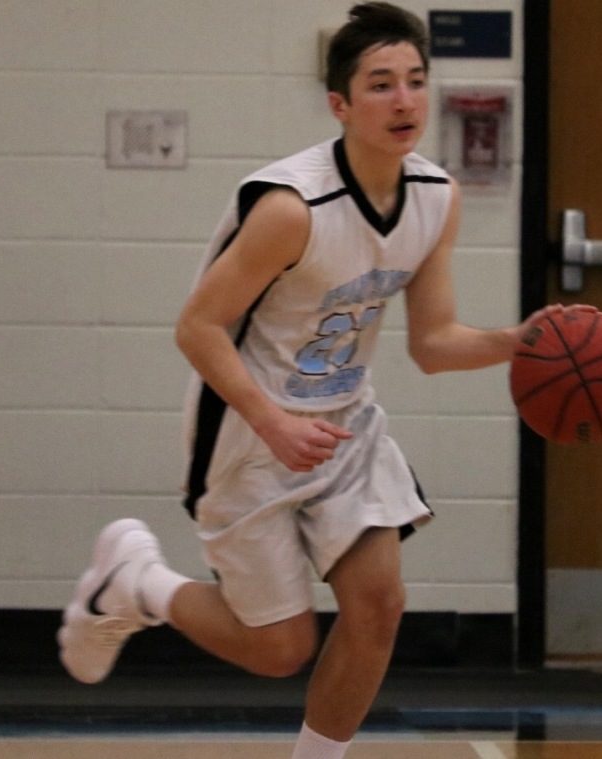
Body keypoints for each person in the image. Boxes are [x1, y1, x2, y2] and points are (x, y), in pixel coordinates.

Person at [57, 3, 565, 757]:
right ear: (341, 104)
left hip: (346, 427)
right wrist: (272, 420)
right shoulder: (292, 208)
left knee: (380, 606)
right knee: (280, 648)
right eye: (382, 84)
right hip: (250, 433)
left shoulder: (435, 197)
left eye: (416, 82)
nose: (404, 101)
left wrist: (514, 341)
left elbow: (431, 343)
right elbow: (196, 327)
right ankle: (136, 583)